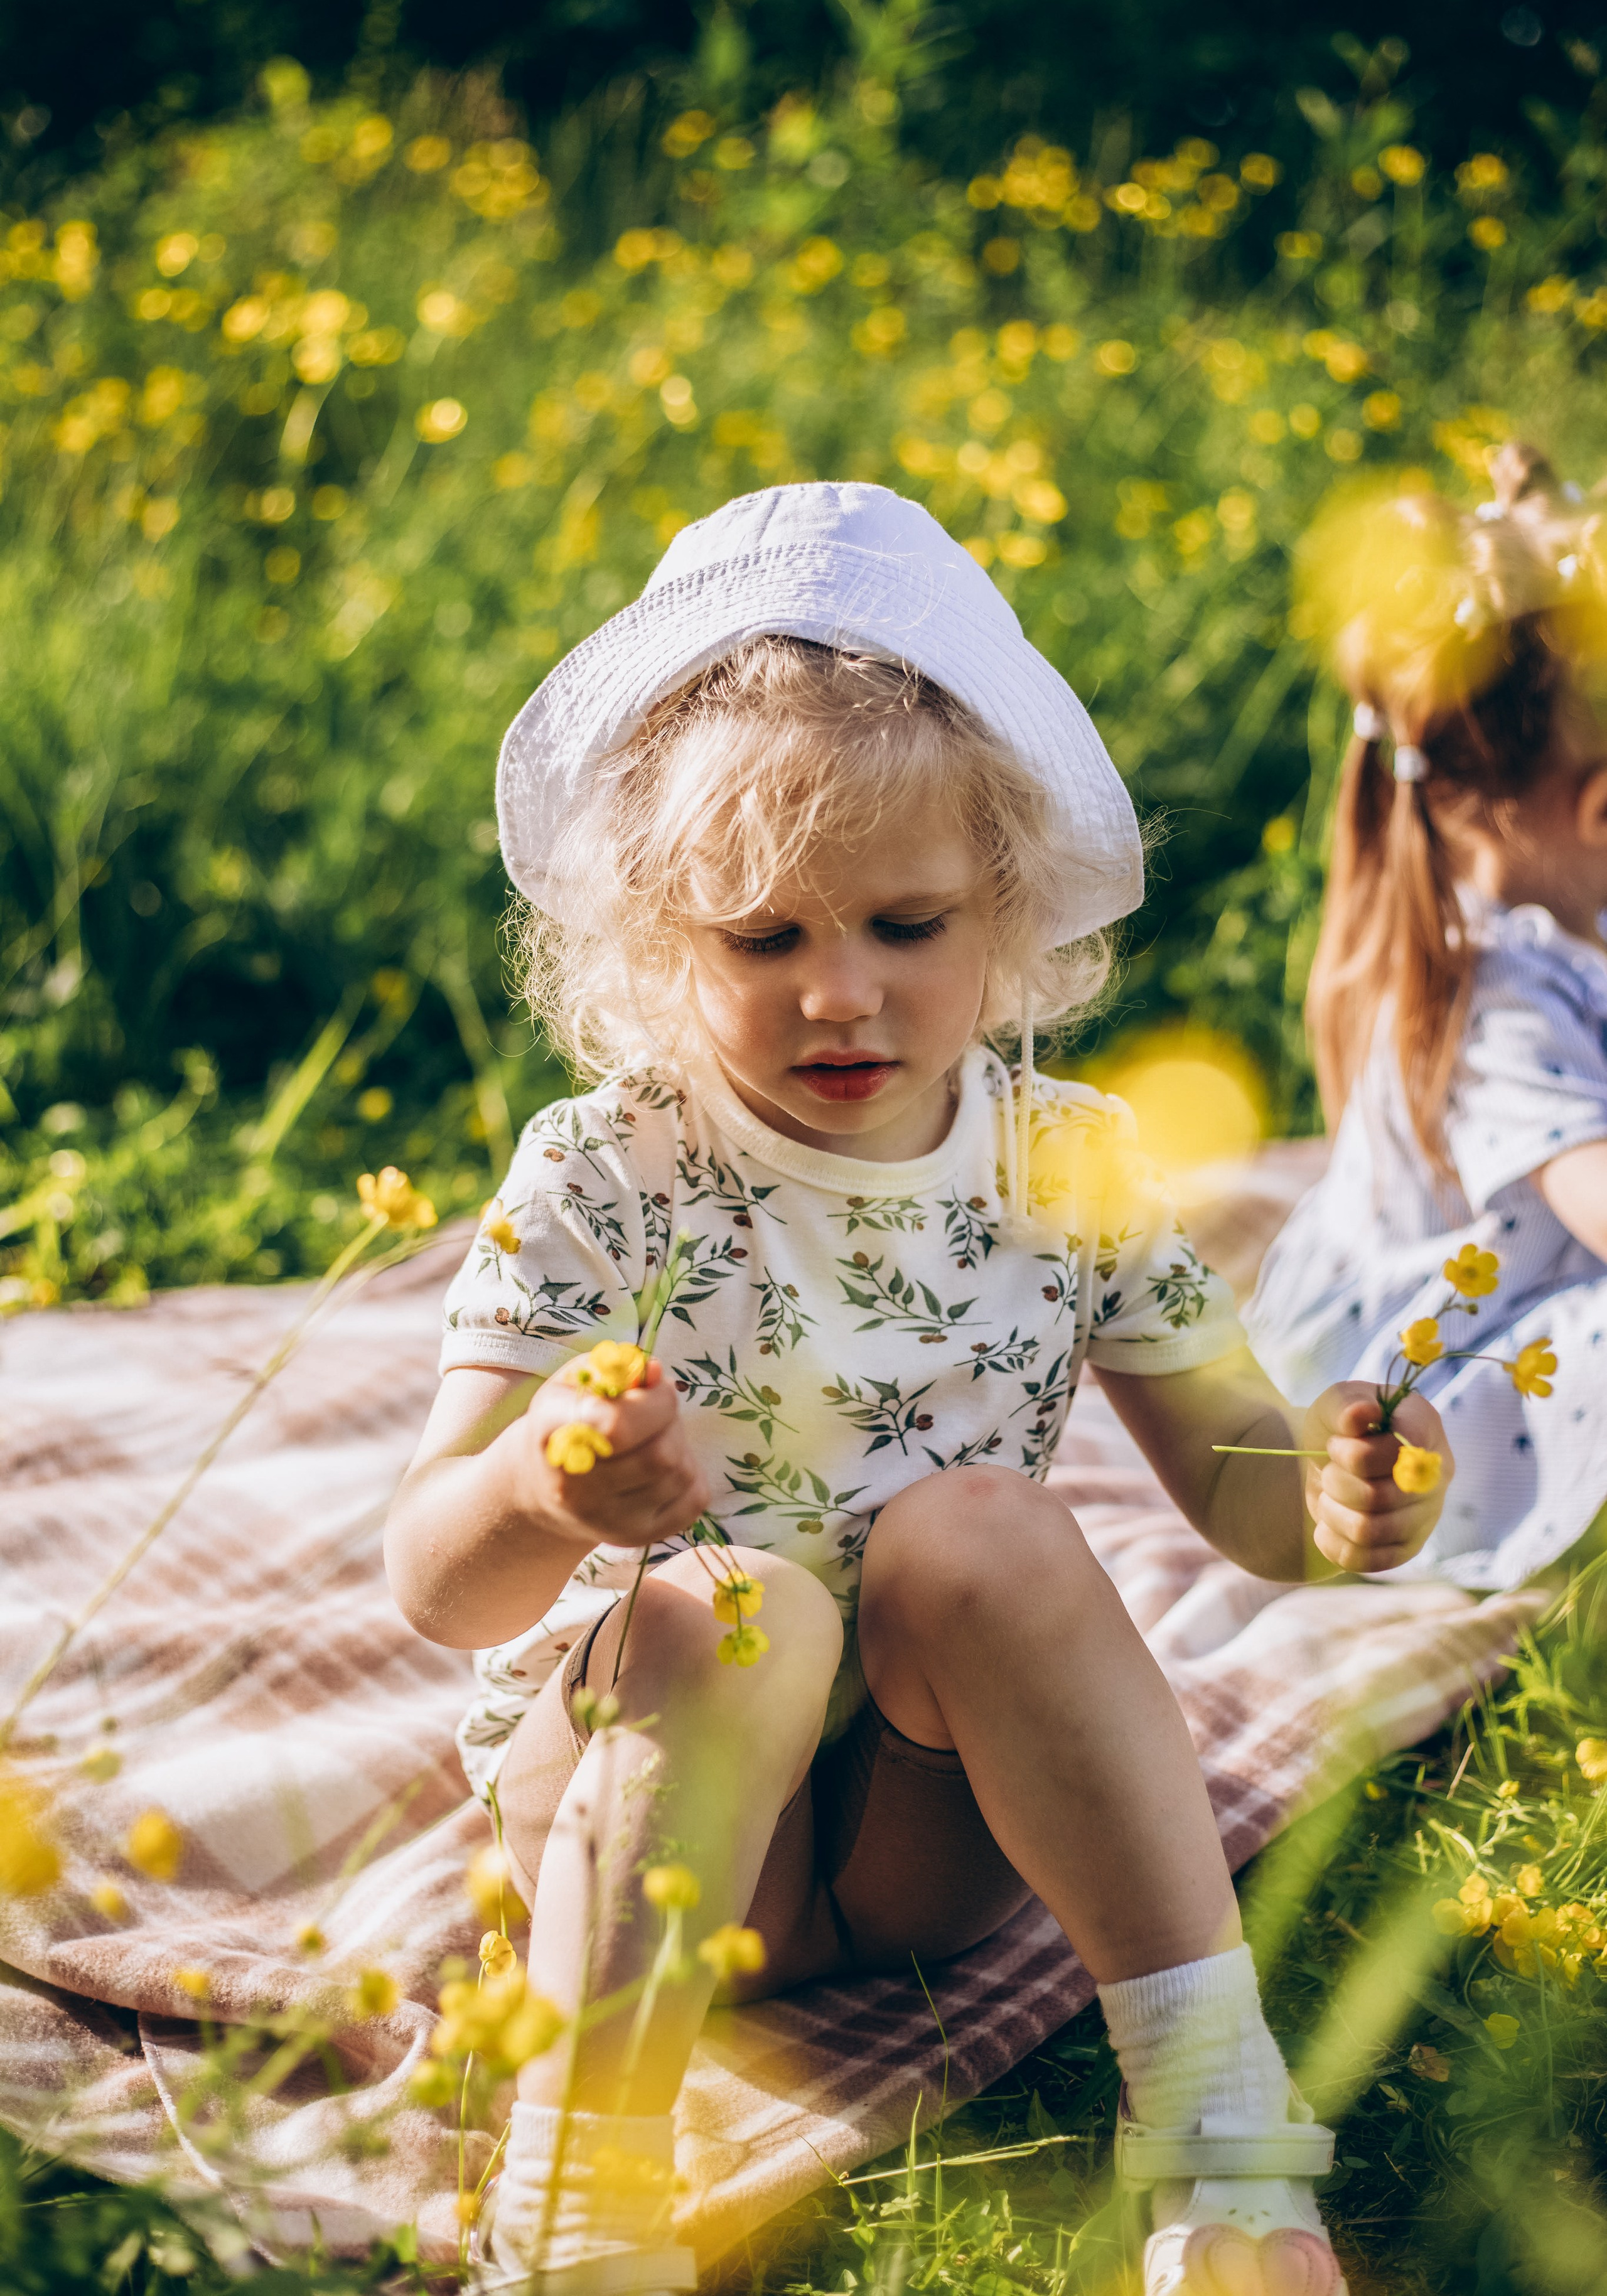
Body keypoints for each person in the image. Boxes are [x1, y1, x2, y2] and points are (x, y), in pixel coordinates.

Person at [386, 482, 1451, 2296]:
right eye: (765, 939)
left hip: (926, 1847)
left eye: (905, 925)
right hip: (644, 1841)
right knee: (728, 1609)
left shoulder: (1070, 1161)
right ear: (658, 938)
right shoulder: (605, 1172)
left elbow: (1248, 1489)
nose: (843, 997)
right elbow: (432, 1577)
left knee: (992, 1536)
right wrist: (549, 1493)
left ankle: (1220, 2144)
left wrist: (1347, 1493)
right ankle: (582, 2209)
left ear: (1010, 912)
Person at [1248, 441, 1607, 1592]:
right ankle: (1491, 1504)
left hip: (1512, 1273)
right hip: (1410, 1376)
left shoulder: (1559, 916)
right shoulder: (1495, 1003)